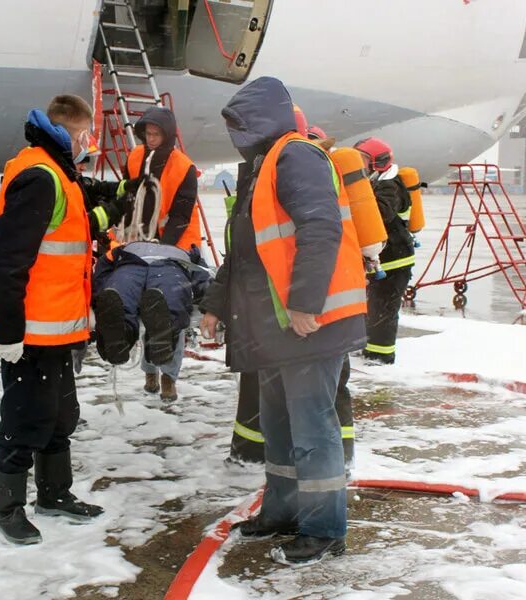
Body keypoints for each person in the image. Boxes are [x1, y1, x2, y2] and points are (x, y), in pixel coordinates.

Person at [200, 77, 366, 564]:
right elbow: (244, 252)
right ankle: (281, 511)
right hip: (274, 326)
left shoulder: (297, 156)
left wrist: (305, 302)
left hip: (310, 322)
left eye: (241, 124)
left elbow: (321, 227)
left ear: (265, 118)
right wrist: (214, 303)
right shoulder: (260, 166)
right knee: (279, 427)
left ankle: (323, 529)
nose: (236, 134)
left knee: (313, 428)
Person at [0, 94, 130, 545]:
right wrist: (8, 332)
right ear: (71, 131)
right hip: (30, 332)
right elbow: (6, 260)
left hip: (58, 329)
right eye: (87, 135)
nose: (89, 143)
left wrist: (115, 203)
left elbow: (73, 230)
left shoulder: (59, 174)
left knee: (60, 415)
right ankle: (6, 508)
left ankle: (54, 494)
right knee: (25, 418)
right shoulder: (41, 176)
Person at [91, 107, 202, 401]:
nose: (151, 139)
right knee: (131, 295)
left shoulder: (184, 167)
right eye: (147, 134)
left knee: (165, 306)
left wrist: (162, 246)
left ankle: (168, 374)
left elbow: (181, 213)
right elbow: (127, 197)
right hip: (137, 246)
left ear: (167, 135)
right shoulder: (135, 157)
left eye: (156, 134)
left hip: (173, 246)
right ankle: (125, 345)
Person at [353, 137, 414, 364]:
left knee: (384, 310)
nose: (360, 164)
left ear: (377, 162)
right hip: (381, 260)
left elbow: (382, 214)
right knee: (374, 307)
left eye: (363, 160)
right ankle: (369, 348)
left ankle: (381, 355)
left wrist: (359, 198)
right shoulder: (374, 182)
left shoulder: (390, 184)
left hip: (395, 261)